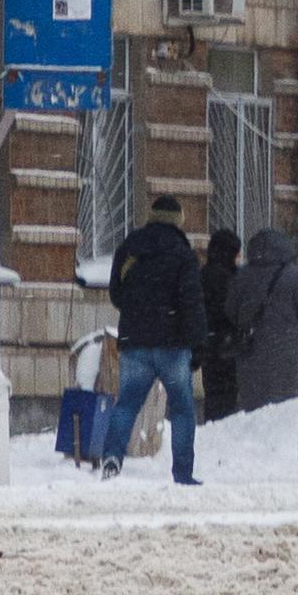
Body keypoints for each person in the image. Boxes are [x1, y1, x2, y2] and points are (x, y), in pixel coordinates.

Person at [105, 195, 208, 486]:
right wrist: (197, 344)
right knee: (182, 410)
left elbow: (116, 293)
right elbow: (192, 303)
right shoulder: (183, 254)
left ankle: (112, 459)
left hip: (134, 341)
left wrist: (139, 311)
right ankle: (183, 474)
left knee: (126, 405)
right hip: (173, 346)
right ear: (178, 221)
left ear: (152, 216)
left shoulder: (130, 248)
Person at [231, 224, 298, 408]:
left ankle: (254, 436)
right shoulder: (294, 276)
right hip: (286, 353)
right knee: (285, 408)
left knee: (254, 408)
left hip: (251, 353)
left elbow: (231, 310)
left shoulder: (243, 275)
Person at [197, 226, 246, 422]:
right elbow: (234, 313)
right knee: (227, 396)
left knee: (212, 394)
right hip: (227, 345)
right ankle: (222, 431)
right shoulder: (231, 279)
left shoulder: (203, 274)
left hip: (207, 345)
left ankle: (213, 429)